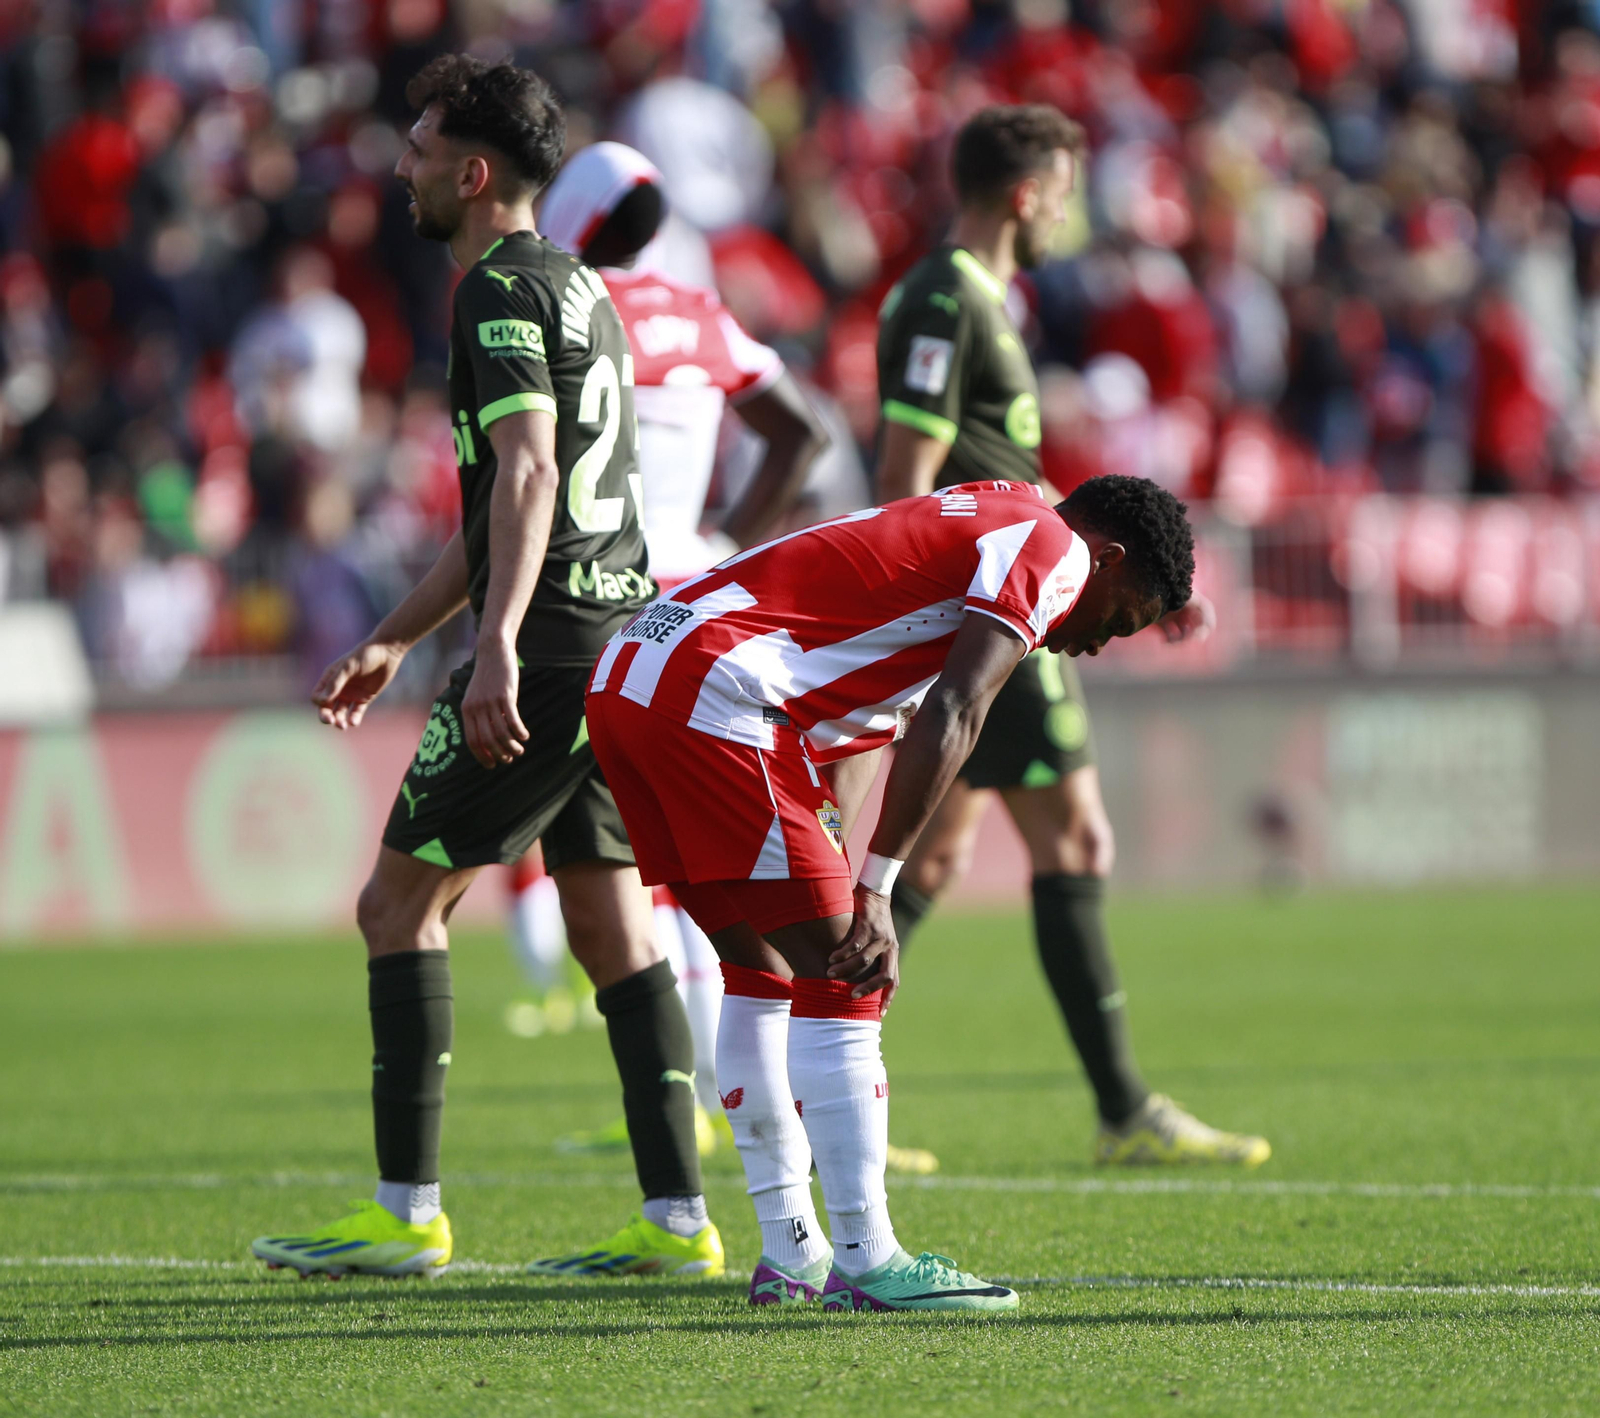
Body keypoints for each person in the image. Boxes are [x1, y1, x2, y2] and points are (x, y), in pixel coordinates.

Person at [250, 56, 722, 1280]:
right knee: (615, 927)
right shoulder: (584, 288)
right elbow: (501, 509)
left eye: (415, 147)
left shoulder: (494, 289)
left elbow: (524, 480)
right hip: (623, 631)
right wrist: (402, 632)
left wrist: (494, 647)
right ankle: (678, 1222)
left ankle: (404, 1211)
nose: (398, 165)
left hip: (554, 634)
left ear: (471, 173)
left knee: (396, 905)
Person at [586, 472, 1195, 1311]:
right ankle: (869, 1257)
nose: (1094, 642)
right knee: (847, 974)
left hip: (632, 676)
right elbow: (959, 705)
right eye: (1118, 618)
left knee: (762, 970)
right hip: (719, 692)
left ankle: (790, 1255)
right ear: (1108, 557)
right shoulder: (1054, 550)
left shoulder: (999, 512)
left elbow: (862, 718)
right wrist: (875, 885)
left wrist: (841, 855)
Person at [872, 105, 1268, 1167]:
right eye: (1063, 192)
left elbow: (995, 466)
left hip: (993, 591)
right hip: (985, 608)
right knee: (1074, 841)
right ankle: (1122, 1108)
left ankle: (822, 1088)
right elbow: (902, 478)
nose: (1069, 213)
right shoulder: (945, 298)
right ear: (1025, 192)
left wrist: (1138, 571)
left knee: (933, 852)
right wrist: (907, 621)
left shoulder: (984, 300)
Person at [503, 139, 827, 1153]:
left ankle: (696, 1095)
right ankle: (748, 1088)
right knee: (706, 851)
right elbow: (802, 430)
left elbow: (530, 470)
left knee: (649, 862)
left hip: (603, 600)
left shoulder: (566, 304)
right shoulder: (700, 308)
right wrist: (730, 537)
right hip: (699, 596)